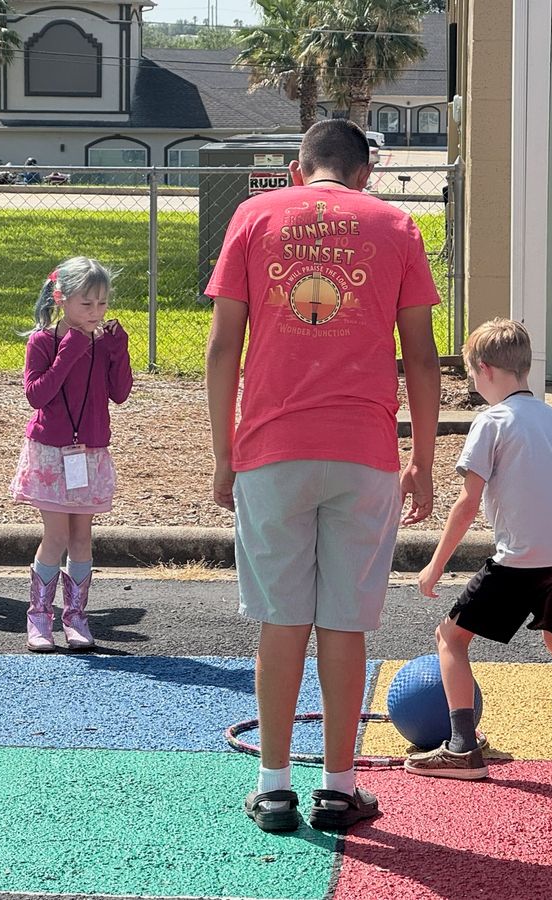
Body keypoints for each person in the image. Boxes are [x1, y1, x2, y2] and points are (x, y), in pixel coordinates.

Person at [205, 119, 441, 833]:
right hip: (363, 451)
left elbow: (222, 347)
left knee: (282, 621)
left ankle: (274, 787)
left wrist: (223, 452)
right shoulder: (396, 225)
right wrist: (423, 460)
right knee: (344, 622)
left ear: (296, 169)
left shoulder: (254, 216)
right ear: (367, 173)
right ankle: (339, 788)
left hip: (273, 447)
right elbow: (421, 356)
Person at [407, 318, 552, 780]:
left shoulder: (491, 421)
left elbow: (467, 503)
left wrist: (435, 566)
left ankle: (461, 748)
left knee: (450, 638)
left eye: (472, 374)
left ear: (485, 368)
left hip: (521, 559)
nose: (474, 383)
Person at [10, 258, 132, 652]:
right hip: (50, 454)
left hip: (89, 452)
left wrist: (118, 349)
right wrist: (69, 351)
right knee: (57, 534)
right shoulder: (42, 342)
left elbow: (120, 392)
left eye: (102, 303)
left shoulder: (102, 341)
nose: (96, 312)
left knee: (82, 537)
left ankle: (76, 616)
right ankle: (39, 616)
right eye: (87, 304)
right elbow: (37, 395)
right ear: (61, 299)